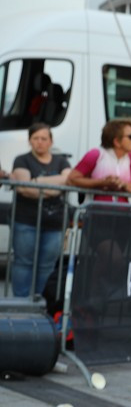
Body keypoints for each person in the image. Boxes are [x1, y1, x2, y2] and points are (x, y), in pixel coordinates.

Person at [9, 123, 71, 297]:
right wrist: (56, 186)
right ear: (29, 141)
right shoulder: (21, 159)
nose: (40, 142)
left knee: (47, 265)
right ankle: (20, 303)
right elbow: (24, 188)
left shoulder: (62, 160)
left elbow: (69, 180)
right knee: (23, 263)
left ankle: (41, 302)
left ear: (51, 141)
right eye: (35, 138)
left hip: (54, 223)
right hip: (25, 220)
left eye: (44, 138)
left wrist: (39, 183)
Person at [68, 118, 131, 202]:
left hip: (123, 212)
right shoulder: (95, 154)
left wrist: (123, 184)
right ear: (117, 141)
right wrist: (102, 183)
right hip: (95, 212)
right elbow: (71, 180)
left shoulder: (130, 158)